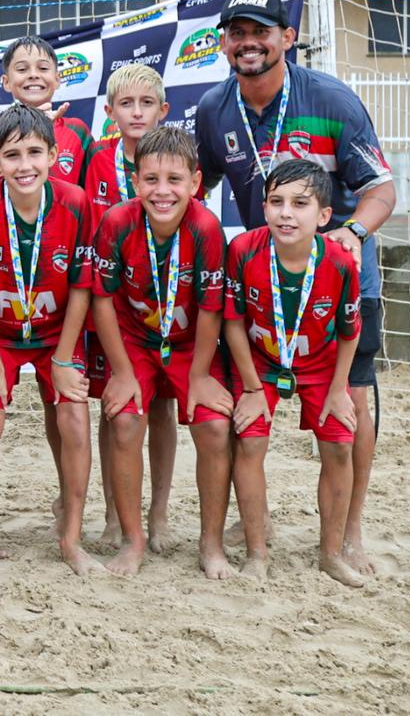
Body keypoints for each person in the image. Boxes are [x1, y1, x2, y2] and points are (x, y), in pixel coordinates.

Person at [196, 0, 395, 574]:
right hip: (260, 285)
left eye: (261, 32)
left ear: (287, 38)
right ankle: (252, 524)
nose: (248, 43)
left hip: (339, 283)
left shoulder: (332, 100)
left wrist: (350, 234)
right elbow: (195, 184)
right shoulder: (213, 109)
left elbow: (381, 190)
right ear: (223, 43)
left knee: (349, 406)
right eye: (237, 33)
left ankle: (349, 533)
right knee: (248, 408)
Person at [0, 104, 98, 575]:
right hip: (0, 334)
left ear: (54, 155)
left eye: (35, 153)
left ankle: (71, 538)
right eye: (12, 155)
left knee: (74, 415)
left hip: (57, 332)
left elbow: (81, 287)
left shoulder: (75, 201)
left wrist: (63, 359)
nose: (25, 165)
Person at [92, 128, 235, 578]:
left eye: (174, 180)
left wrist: (200, 376)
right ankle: (133, 539)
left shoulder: (206, 228)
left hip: (190, 345)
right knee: (124, 420)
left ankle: (210, 544)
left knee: (215, 428)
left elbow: (211, 308)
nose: (162, 191)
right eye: (151, 179)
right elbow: (101, 299)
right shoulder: (117, 222)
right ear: (135, 182)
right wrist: (121, 371)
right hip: (134, 341)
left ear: (195, 183)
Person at [224, 159, 363, 586]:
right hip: (261, 362)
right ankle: (257, 553)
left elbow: (349, 331)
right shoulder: (243, 250)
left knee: (339, 446)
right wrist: (251, 388)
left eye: (300, 204)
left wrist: (338, 390)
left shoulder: (340, 262)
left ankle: (331, 554)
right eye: (276, 202)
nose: (286, 213)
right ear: (264, 207)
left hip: (321, 363)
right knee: (249, 440)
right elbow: (233, 323)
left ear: (323, 216)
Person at [83, 63, 179, 551]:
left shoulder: (178, 160)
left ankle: (158, 513)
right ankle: (112, 512)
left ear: (163, 110)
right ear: (110, 112)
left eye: (146, 104)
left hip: (162, 305)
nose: (137, 113)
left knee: (162, 406)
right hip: (111, 309)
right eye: (126, 104)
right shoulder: (96, 159)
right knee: (114, 407)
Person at [0, 36, 94, 185]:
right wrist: (31, 126)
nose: (33, 75)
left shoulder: (77, 131)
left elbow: (93, 187)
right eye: (22, 69)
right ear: (6, 82)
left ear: (57, 79)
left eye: (43, 68)